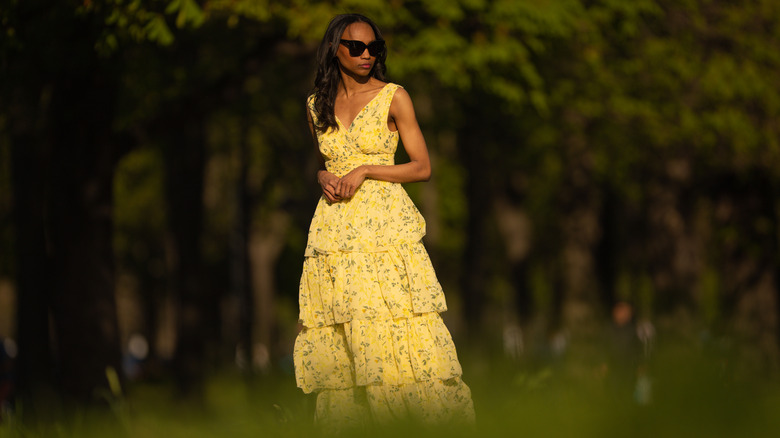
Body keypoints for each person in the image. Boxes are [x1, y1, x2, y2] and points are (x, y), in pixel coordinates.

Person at [293, 13, 475, 431]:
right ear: (335, 50)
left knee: (390, 326)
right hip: (336, 233)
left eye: (374, 47)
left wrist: (367, 170)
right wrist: (322, 175)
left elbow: (422, 167)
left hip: (384, 232)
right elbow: (326, 161)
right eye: (356, 47)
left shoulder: (394, 97)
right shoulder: (316, 104)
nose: (367, 55)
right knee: (344, 332)